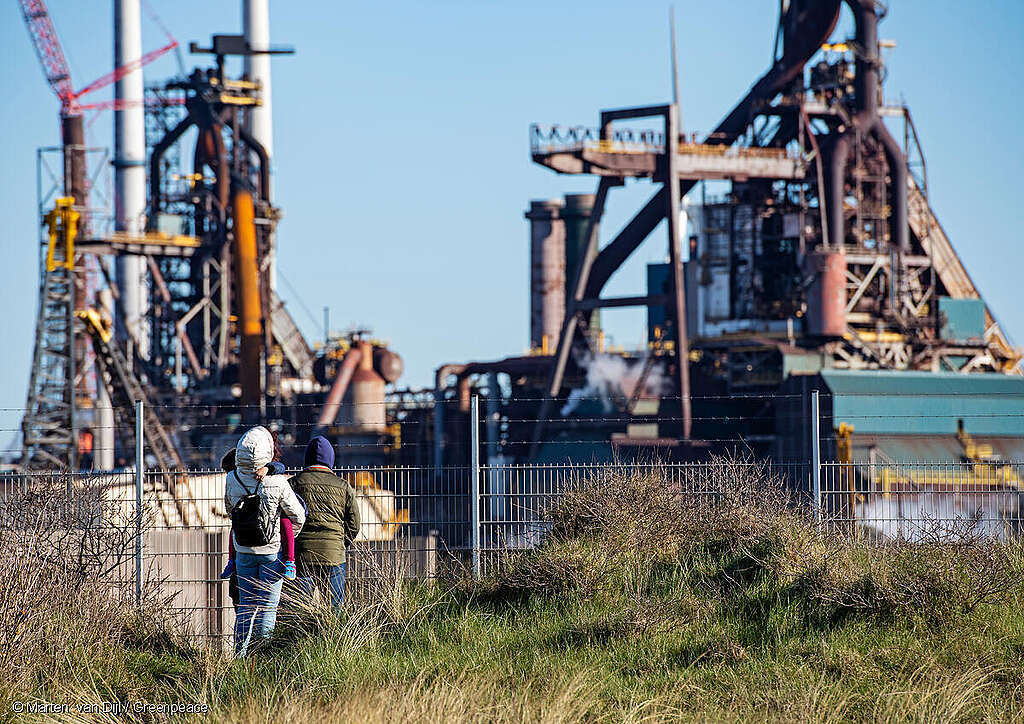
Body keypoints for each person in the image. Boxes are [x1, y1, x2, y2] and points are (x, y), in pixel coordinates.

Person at [224, 426, 306, 656]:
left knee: (246, 608)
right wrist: (286, 536)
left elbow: (230, 511)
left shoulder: (232, 478)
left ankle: (240, 657)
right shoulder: (278, 482)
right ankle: (262, 657)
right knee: (267, 609)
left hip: (243, 551)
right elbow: (298, 516)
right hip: (271, 553)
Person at [289, 436, 361, 611]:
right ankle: (333, 638)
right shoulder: (343, 486)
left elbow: (284, 519)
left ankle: (299, 638)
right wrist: (340, 544)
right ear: (331, 459)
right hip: (333, 555)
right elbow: (354, 524)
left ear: (307, 458)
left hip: (302, 554)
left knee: (299, 610)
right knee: (335, 609)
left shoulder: (294, 483)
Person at [220, 447, 302, 582]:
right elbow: (298, 517)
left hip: (247, 545)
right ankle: (289, 560)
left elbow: (279, 466)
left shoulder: (245, 476)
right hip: (270, 547)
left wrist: (268, 469)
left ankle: (232, 561)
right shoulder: (268, 478)